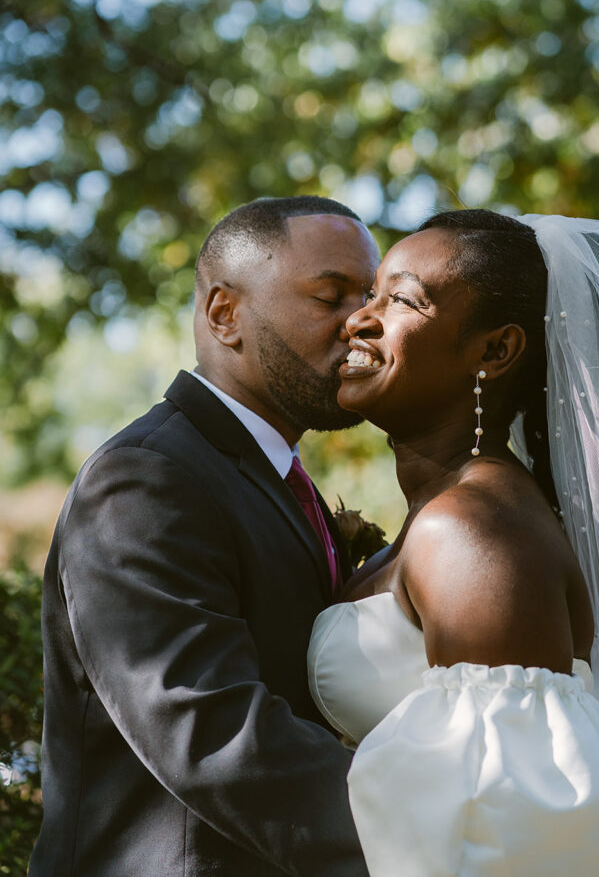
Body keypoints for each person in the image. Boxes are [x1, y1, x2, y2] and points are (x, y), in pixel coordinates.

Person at [308, 209, 599, 877]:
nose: (357, 320)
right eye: (370, 295)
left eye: (400, 300)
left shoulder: (473, 532)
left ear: (494, 351)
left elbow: (517, 833)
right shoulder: (451, 514)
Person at [30, 196, 379, 877]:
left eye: (368, 297)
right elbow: (209, 731)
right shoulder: (144, 480)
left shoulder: (272, 477)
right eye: (330, 296)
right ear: (225, 314)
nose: (362, 322)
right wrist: (436, 832)